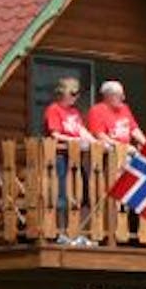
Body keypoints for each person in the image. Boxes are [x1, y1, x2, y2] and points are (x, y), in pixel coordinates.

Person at [42, 76, 95, 245]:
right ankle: (62, 233)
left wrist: (96, 142)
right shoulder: (54, 109)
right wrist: (74, 141)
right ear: (62, 92)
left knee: (83, 193)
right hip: (59, 156)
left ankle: (80, 233)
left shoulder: (74, 112)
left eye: (77, 93)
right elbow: (55, 134)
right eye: (72, 92)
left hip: (76, 157)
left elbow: (81, 130)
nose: (75, 96)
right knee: (62, 194)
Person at [86, 80, 146, 148]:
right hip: (110, 152)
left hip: (126, 149)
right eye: (119, 96)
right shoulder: (97, 110)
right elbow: (100, 135)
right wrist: (123, 147)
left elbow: (134, 130)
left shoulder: (124, 108)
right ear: (108, 96)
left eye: (122, 95)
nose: (123, 98)